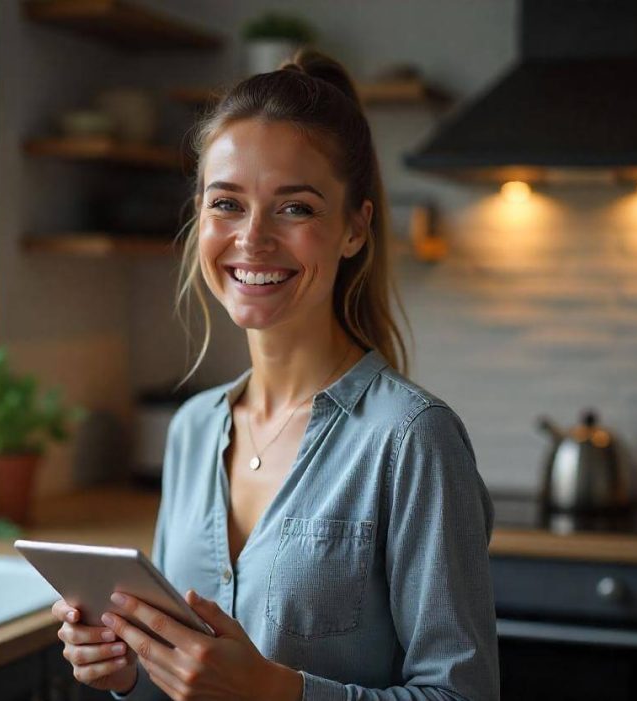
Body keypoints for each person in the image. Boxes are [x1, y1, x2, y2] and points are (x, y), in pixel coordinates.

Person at [51, 49, 499, 701]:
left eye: (295, 209)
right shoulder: (192, 429)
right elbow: (189, 681)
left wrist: (276, 691)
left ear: (354, 227)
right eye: (227, 203)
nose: (252, 239)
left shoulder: (412, 440)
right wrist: (128, 669)